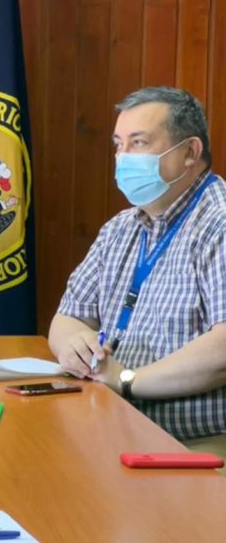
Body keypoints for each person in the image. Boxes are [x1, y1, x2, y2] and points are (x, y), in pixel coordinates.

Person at [49, 86, 226, 462]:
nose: (123, 158)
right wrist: (74, 345)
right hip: (111, 425)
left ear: (190, 152)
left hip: (196, 442)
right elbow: (69, 316)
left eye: (139, 143)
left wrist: (128, 380)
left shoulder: (219, 223)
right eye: (118, 145)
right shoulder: (120, 228)